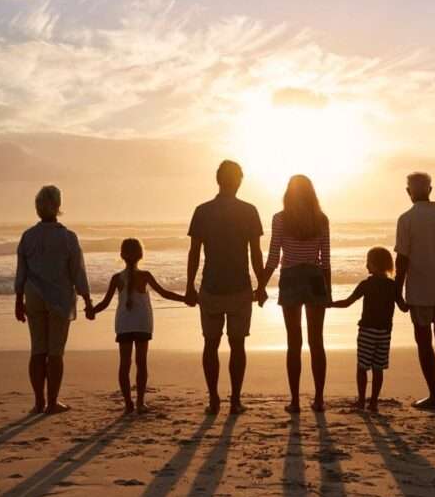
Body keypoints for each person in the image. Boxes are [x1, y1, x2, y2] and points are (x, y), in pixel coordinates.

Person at [186, 160, 267, 415]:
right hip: (239, 287)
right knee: (237, 345)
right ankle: (235, 400)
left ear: (218, 180)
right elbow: (255, 254)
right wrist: (261, 284)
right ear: (239, 181)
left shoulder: (202, 211)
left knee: (210, 344)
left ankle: (214, 399)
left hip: (211, 286)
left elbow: (194, 253)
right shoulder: (249, 211)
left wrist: (190, 286)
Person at [14, 185, 93, 415]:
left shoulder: (28, 236)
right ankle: (52, 402)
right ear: (58, 207)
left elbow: (21, 272)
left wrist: (18, 299)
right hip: (59, 298)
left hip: (33, 296)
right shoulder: (67, 237)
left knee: (38, 350)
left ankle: (39, 401)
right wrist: (87, 300)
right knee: (55, 352)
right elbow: (78, 272)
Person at [257, 174, 331, 413]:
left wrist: (261, 285)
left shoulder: (280, 218)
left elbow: (273, 257)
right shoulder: (321, 219)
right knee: (316, 341)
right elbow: (325, 260)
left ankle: (296, 401)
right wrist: (328, 292)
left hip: (290, 278)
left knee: (293, 342)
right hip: (315, 278)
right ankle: (319, 399)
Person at [91, 238, 186, 415]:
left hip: (124, 323)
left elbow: (104, 303)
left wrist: (92, 311)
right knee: (141, 363)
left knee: (124, 364)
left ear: (122, 255)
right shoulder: (145, 275)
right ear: (141, 255)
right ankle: (140, 402)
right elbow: (164, 293)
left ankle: (128, 403)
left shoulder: (116, 278)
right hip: (142, 323)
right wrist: (185, 299)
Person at [395, 172, 435, 410]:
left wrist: (397, 291)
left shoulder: (406, 219)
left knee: (424, 341)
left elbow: (402, 259)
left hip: (420, 289)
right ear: (430, 190)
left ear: (408, 192)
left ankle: (434, 395)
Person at [330, 246, 407, 413]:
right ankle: (373, 402)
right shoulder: (393, 286)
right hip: (385, 333)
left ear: (375, 264)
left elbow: (348, 302)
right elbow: (403, 307)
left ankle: (361, 400)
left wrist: (329, 304)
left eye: (368, 262)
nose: (366, 266)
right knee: (378, 368)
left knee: (362, 367)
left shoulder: (366, 284)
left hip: (367, 331)